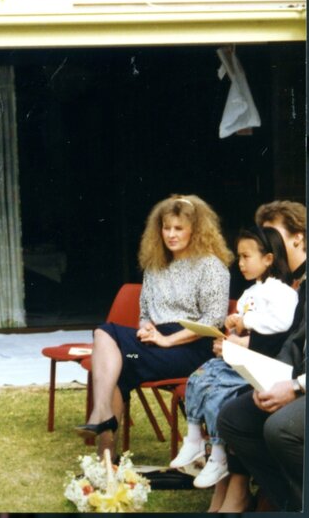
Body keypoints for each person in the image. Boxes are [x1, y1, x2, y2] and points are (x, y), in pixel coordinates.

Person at [75, 195, 232, 458]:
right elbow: (145, 313)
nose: (171, 234)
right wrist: (146, 328)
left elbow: (213, 319)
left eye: (178, 228)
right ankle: (106, 459)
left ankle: (101, 421)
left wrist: (168, 340)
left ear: (195, 230)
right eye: (166, 227)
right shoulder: (155, 265)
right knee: (115, 360)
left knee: (107, 334)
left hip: (192, 347)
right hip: (156, 343)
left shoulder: (211, 266)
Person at [169, 226, 297, 488]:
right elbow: (243, 326)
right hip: (235, 357)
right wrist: (232, 327)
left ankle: (218, 454)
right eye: (239, 256)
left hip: (259, 363)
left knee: (218, 393)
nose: (240, 263)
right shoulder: (250, 293)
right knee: (199, 376)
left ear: (268, 259)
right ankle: (193, 437)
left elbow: (281, 323)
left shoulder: (282, 292)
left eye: (246, 256)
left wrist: (245, 322)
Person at [213, 200, 306, 513]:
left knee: (278, 427)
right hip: (288, 375)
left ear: (299, 237)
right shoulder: (279, 283)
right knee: (233, 418)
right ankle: (287, 501)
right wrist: (271, 377)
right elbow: (295, 342)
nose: (267, 242)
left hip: (301, 385)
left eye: (273, 234)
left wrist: (295, 386)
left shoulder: (290, 286)